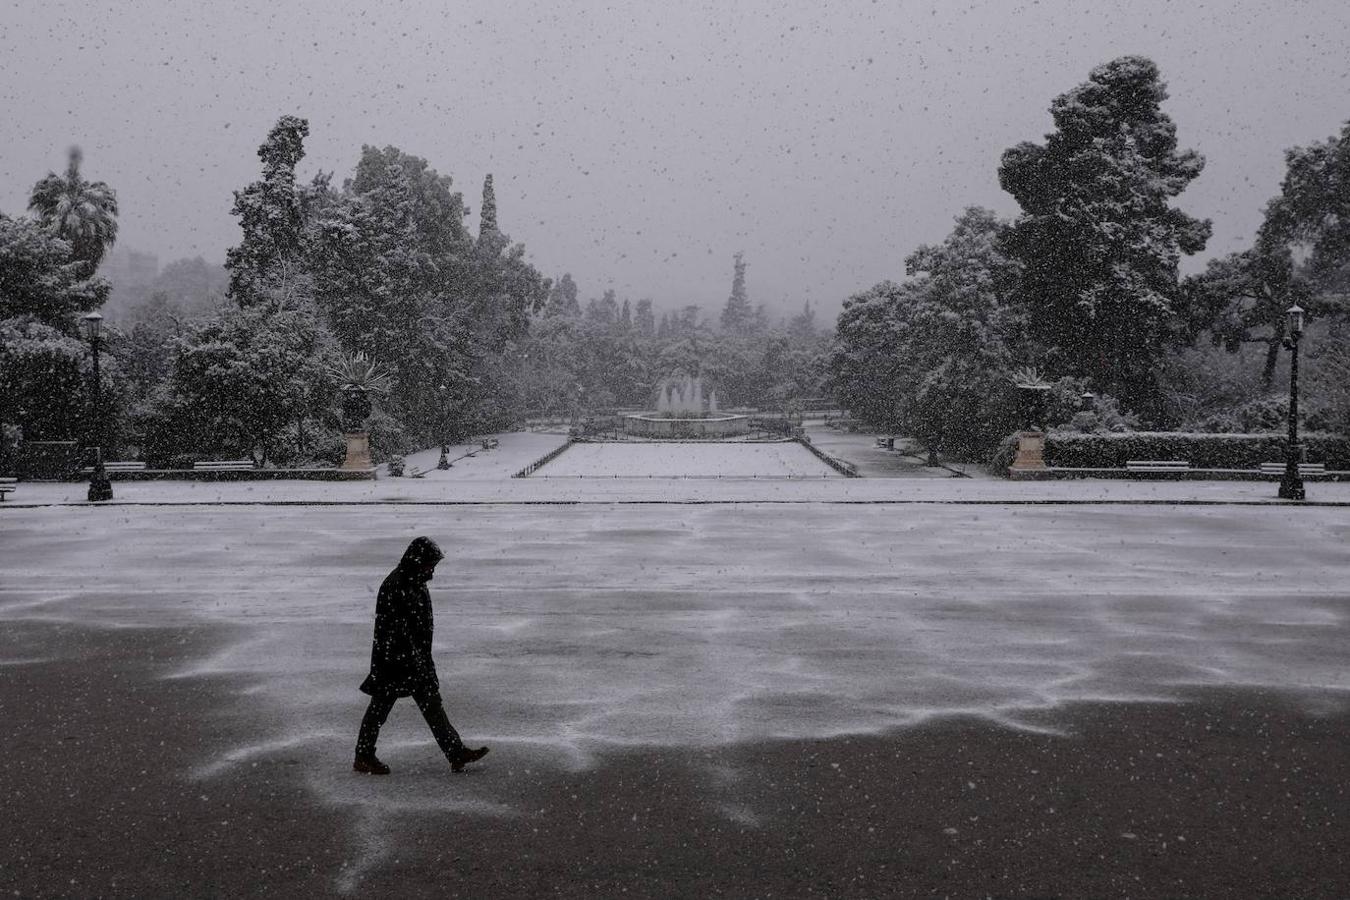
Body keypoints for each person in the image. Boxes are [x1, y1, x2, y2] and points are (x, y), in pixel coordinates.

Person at [353, 536, 489, 775]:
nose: (432, 570)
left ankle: (456, 753)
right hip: (394, 663)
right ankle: (363, 757)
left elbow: (421, 629)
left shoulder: (416, 582)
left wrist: (423, 660)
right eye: (430, 565)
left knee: (433, 707)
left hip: (415, 661)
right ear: (418, 561)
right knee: (379, 710)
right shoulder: (395, 585)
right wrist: (409, 660)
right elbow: (393, 631)